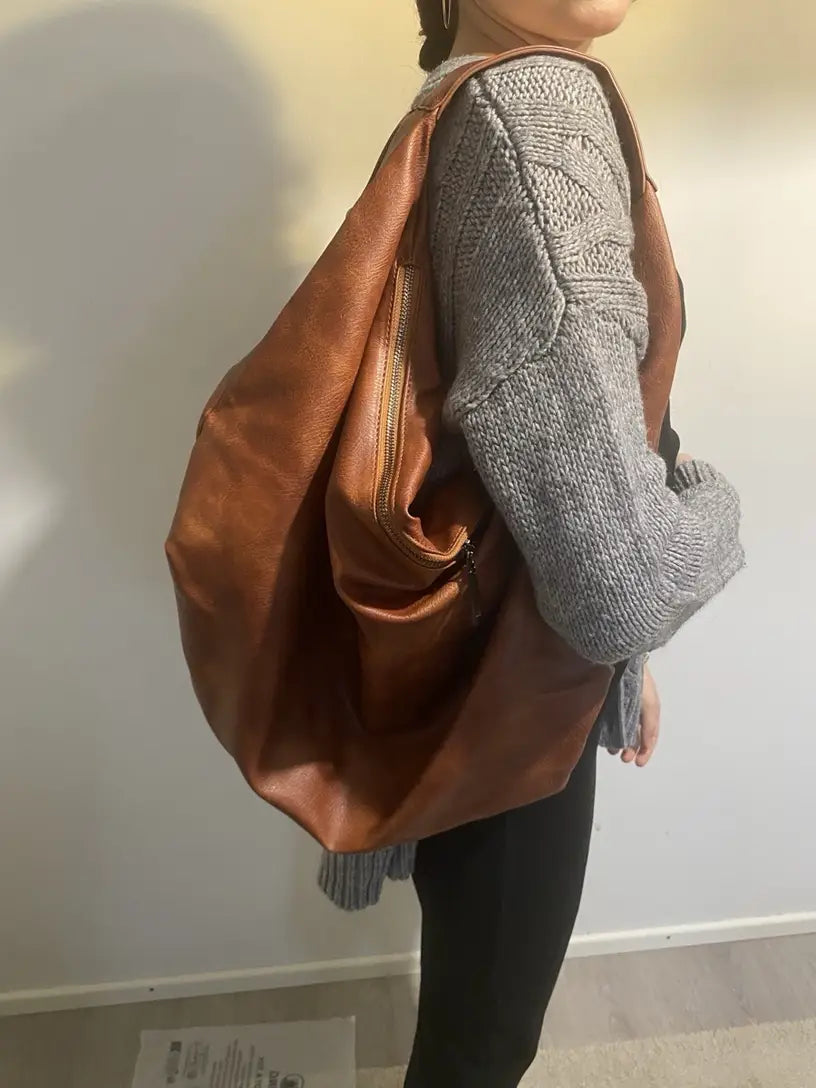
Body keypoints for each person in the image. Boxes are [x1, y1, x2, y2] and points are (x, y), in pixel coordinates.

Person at [322, 2, 745, 1085]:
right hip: (513, 683)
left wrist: (625, 660)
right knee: (480, 1047)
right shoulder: (536, 110)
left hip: (482, 653)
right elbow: (622, 580)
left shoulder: (464, 95)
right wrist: (714, 507)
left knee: (472, 1016)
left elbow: (564, 438)